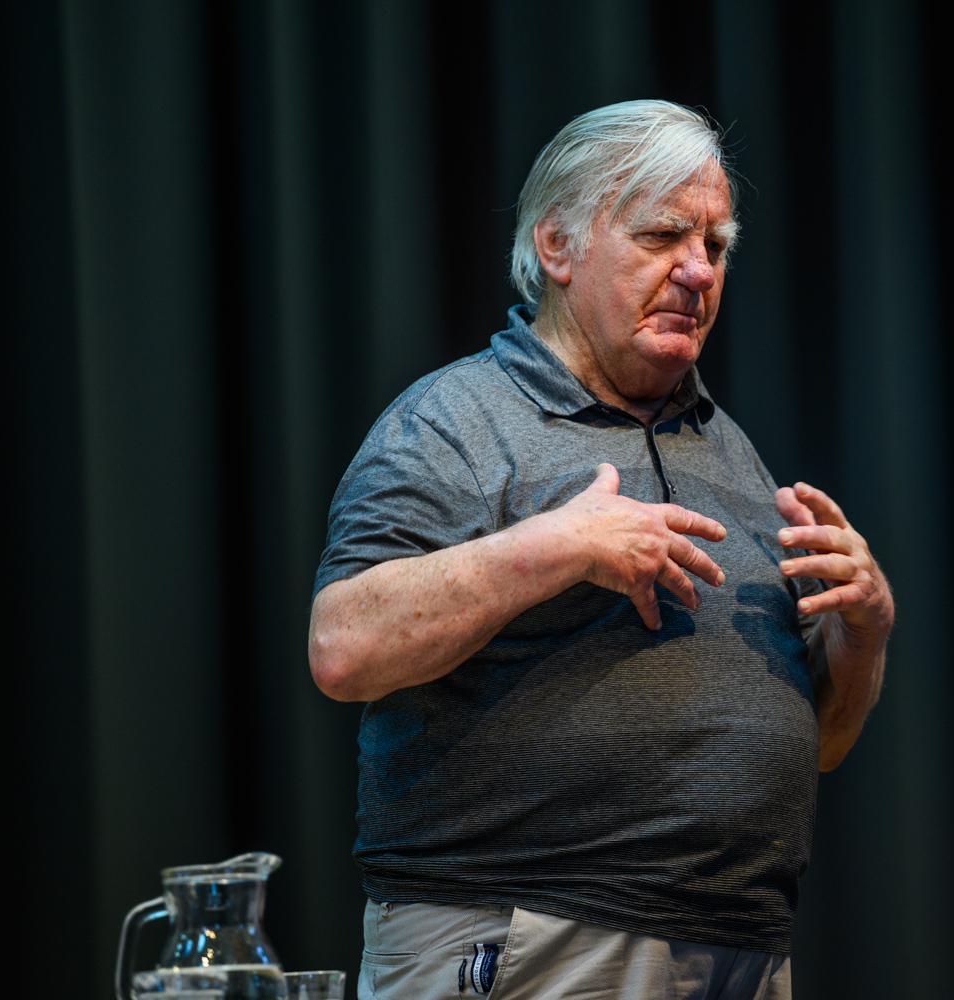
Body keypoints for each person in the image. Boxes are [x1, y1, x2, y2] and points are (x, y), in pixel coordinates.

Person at [308, 100, 894, 1000]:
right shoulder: (454, 420)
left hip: (742, 947)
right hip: (531, 936)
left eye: (716, 245)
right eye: (662, 236)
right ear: (558, 246)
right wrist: (557, 547)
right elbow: (343, 647)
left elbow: (821, 744)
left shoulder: (731, 450)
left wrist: (863, 633)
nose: (698, 270)